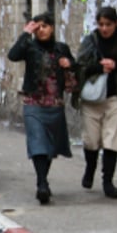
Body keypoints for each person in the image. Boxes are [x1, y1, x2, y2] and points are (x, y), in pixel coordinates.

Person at [7, 12, 76, 205]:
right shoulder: (29, 47)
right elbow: (13, 55)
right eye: (38, 27)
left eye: (45, 26)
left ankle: (43, 180)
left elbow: (76, 67)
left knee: (50, 147)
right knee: (38, 142)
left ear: (52, 27)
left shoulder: (61, 48)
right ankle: (42, 183)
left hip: (55, 105)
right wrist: (25, 34)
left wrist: (69, 63)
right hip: (33, 102)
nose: (42, 30)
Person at [73, 6, 117, 199]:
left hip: (115, 97)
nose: (104, 28)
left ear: (116, 23)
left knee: (112, 139)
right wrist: (98, 67)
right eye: (101, 24)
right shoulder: (90, 42)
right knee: (91, 139)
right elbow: (80, 66)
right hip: (92, 98)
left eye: (108, 24)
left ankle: (108, 181)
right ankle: (90, 168)